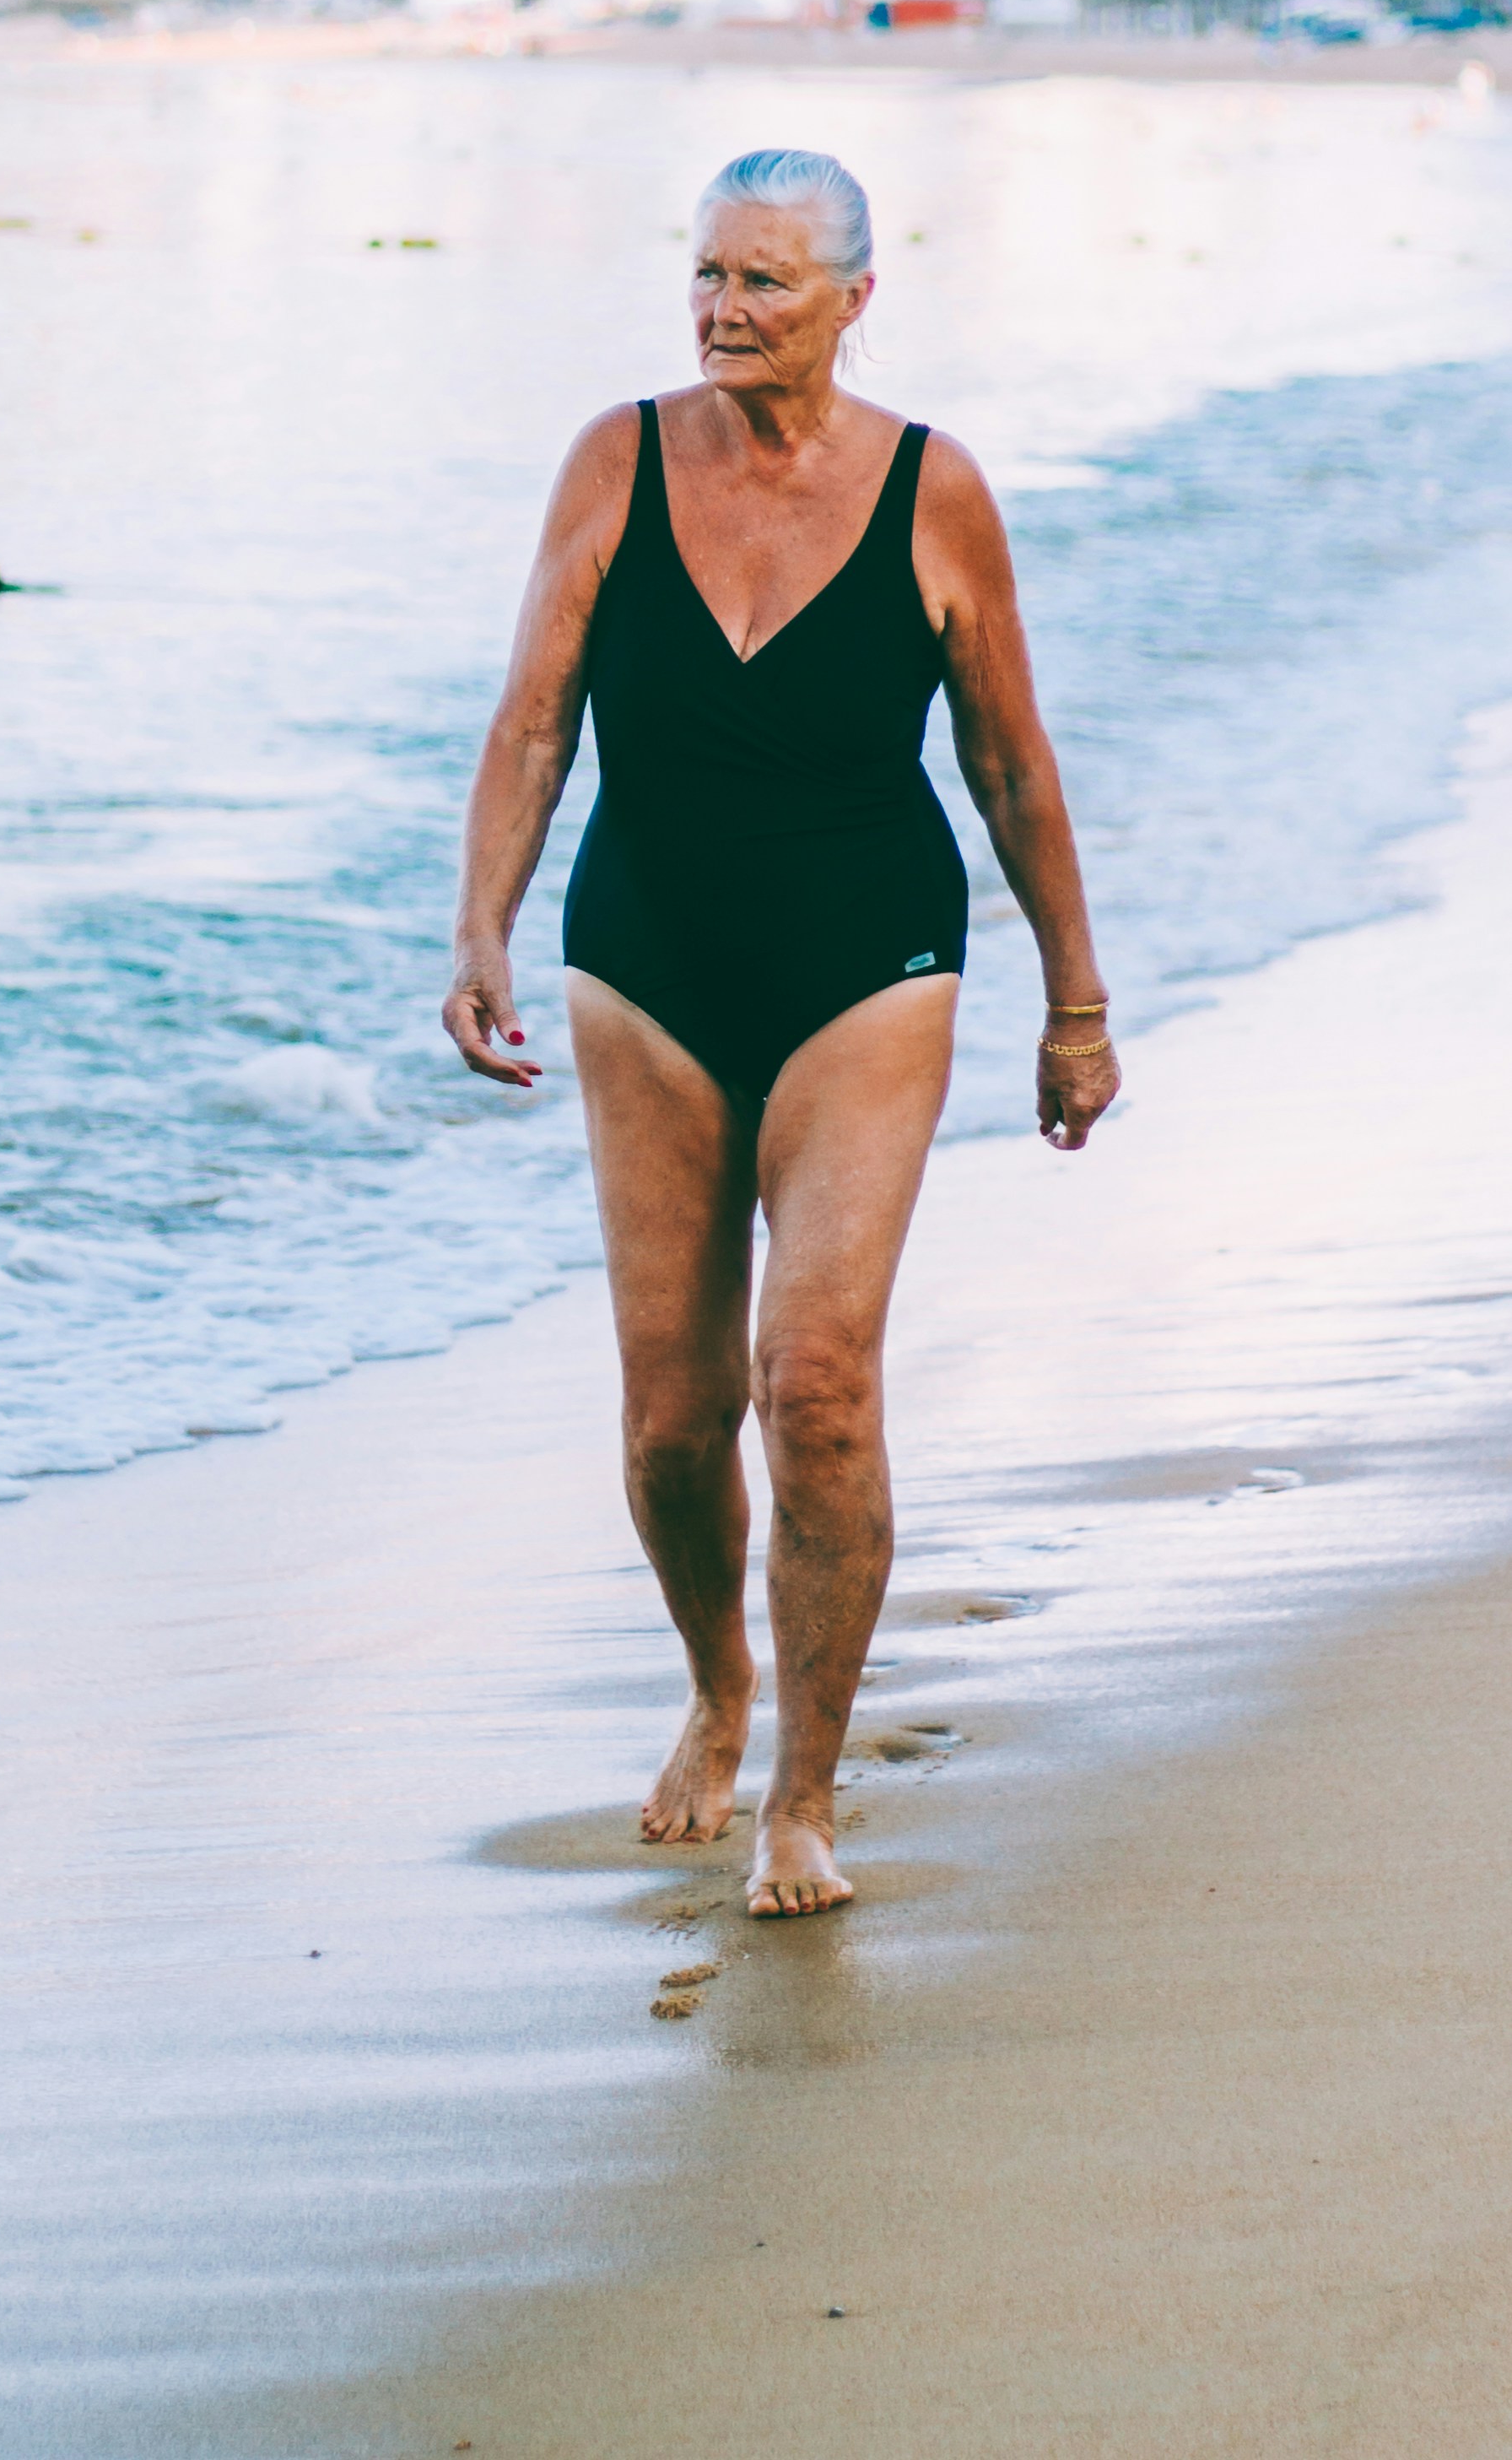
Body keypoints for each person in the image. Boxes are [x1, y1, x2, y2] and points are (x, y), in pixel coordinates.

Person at [442, 148, 1118, 1918]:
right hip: (646, 954)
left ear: (852, 297)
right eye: (708, 277)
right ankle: (716, 1685)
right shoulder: (615, 458)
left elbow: (1010, 763)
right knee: (674, 1414)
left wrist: (1077, 999)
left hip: (865, 955)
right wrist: (480, 927)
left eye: (764, 283)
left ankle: (804, 1793)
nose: (724, 310)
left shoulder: (934, 487)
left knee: (809, 1379)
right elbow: (532, 720)